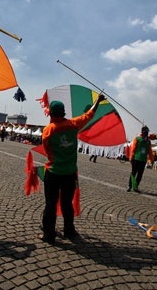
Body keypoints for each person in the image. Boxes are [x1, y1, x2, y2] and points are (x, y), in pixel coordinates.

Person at [40, 94, 105, 244]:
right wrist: (98, 101)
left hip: (53, 172)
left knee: (50, 204)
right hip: (70, 173)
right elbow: (89, 115)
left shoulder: (48, 130)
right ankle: (69, 230)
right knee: (67, 203)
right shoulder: (73, 124)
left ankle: (48, 235)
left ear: (50, 114)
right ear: (63, 113)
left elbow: (47, 151)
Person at [127, 126, 154, 193]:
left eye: (147, 131)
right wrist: (131, 157)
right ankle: (130, 186)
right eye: (145, 131)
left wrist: (151, 160)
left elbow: (150, 151)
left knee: (140, 174)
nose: (146, 133)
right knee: (133, 173)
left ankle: (136, 187)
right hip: (136, 159)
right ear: (142, 132)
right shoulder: (137, 138)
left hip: (143, 160)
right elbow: (133, 149)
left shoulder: (148, 141)